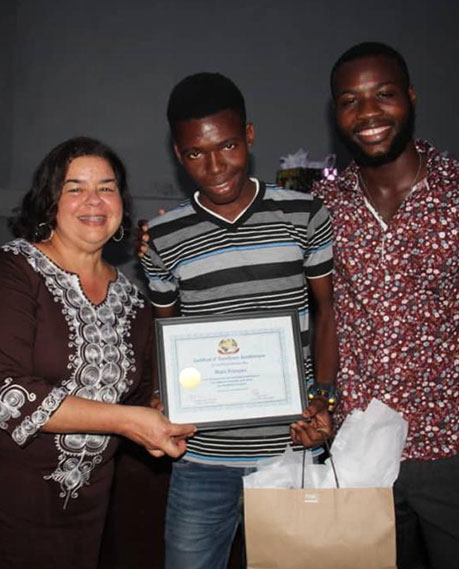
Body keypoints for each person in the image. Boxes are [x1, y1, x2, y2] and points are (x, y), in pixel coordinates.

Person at [139, 72, 338, 569]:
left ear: (249, 135)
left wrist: (324, 398)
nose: (214, 165)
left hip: (291, 445)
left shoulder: (305, 213)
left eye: (227, 145)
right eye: (194, 154)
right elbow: (168, 332)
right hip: (203, 454)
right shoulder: (163, 236)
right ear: (178, 154)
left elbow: (327, 310)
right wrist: (167, 394)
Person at [0, 136, 195, 569]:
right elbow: (5, 392)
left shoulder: (133, 301)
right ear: (50, 199)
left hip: (89, 514)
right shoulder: (14, 271)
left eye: (106, 187)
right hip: (11, 507)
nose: (94, 200)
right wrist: (128, 421)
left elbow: (143, 396)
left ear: (121, 203)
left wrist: (165, 411)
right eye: (75, 187)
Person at [311, 42, 458, 569]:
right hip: (358, 448)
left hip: (449, 445)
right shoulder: (321, 207)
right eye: (350, 100)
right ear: (336, 113)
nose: (368, 113)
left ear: (411, 98)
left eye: (385, 95)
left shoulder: (455, 191)